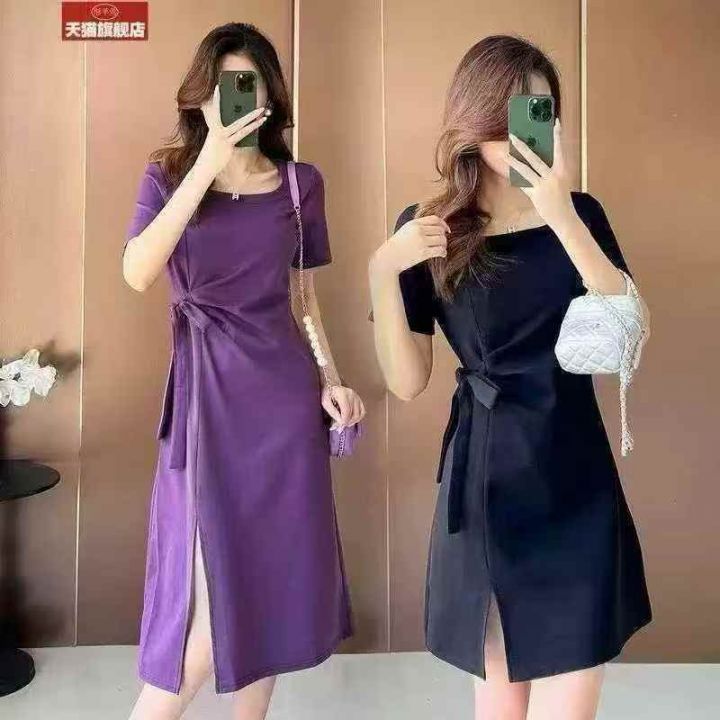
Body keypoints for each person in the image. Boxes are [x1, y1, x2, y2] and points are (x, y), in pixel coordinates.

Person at [368, 34, 652, 720]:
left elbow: (625, 335)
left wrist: (560, 213)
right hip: (488, 483)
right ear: (475, 118)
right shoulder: (429, 229)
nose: (526, 129)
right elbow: (407, 382)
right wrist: (382, 270)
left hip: (575, 477)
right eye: (510, 112)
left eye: (541, 112)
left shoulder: (581, 214)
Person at [122, 22, 363, 720]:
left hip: (283, 404)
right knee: (201, 611)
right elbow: (138, 271)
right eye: (224, 86)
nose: (236, 98)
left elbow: (304, 299)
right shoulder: (167, 175)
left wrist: (332, 379)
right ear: (201, 97)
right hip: (205, 401)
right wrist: (208, 164)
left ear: (270, 95)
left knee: (266, 599)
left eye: (249, 85)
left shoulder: (299, 184)